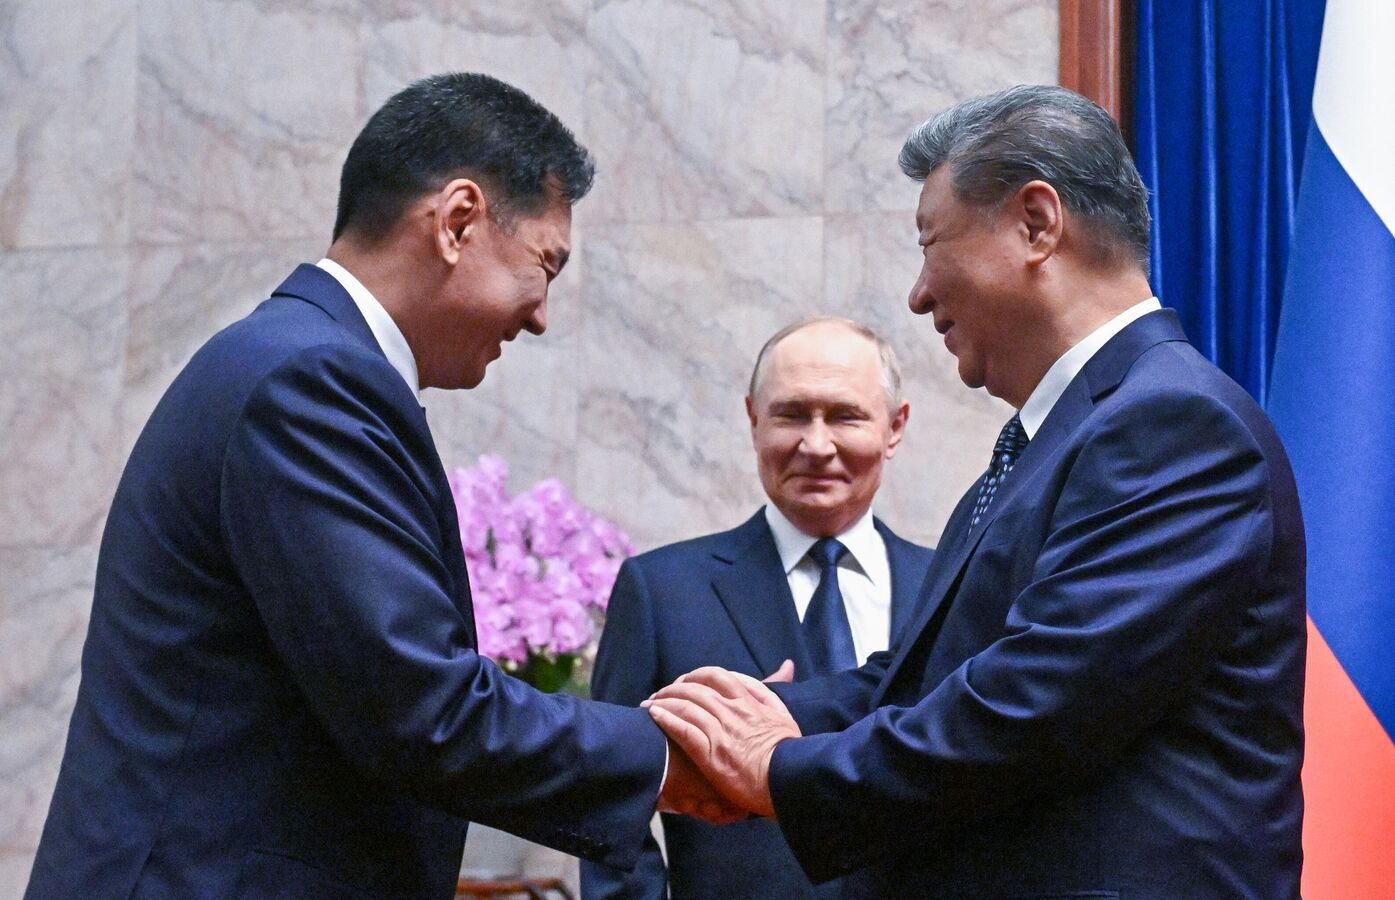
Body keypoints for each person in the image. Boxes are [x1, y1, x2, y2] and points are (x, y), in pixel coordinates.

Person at [25, 73, 723, 900]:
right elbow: (421, 708)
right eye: (546, 265)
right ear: (457, 221)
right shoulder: (309, 379)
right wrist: (674, 753)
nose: (540, 316)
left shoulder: (294, 359)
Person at [646, 84, 1306, 898]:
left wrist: (778, 767)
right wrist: (765, 718)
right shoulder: (1056, 438)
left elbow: (1035, 702)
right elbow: (932, 675)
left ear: (1036, 223)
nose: (918, 293)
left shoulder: (1172, 423)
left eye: (930, 244)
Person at [581, 318, 935, 899]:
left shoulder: (947, 589)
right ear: (753, 421)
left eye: (844, 416)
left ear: (895, 427)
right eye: (791, 415)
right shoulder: (662, 590)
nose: (816, 445)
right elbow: (607, 795)